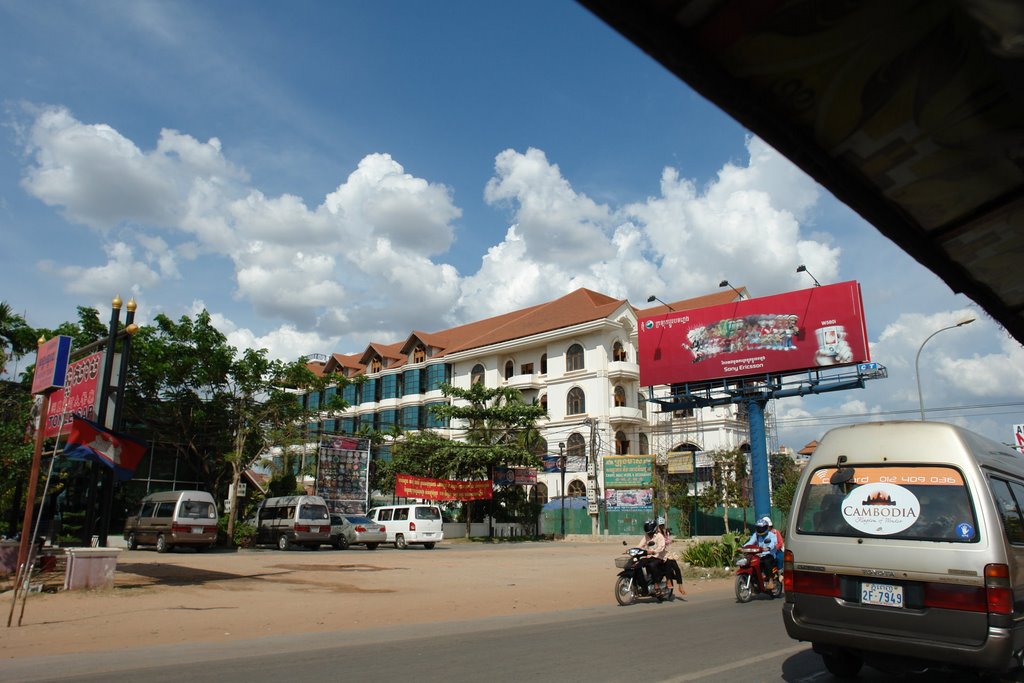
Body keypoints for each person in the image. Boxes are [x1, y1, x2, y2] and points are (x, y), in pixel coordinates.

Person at [633, 519, 666, 595]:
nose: (649, 535)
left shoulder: (659, 536)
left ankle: (656, 584)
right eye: (647, 533)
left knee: (652, 565)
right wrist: (633, 550)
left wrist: (653, 551)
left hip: (659, 557)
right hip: (649, 557)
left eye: (650, 532)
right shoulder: (646, 536)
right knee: (637, 565)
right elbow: (640, 545)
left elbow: (661, 547)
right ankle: (643, 586)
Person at [745, 516, 779, 589]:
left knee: (767, 561)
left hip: (769, 555)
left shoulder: (771, 535)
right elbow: (751, 542)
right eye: (758, 528)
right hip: (759, 555)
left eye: (762, 528)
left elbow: (773, 543)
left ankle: (770, 581)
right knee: (749, 561)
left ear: (766, 528)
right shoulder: (756, 535)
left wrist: (768, 548)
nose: (760, 530)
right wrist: (743, 547)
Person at [657, 516, 685, 595]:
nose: (661, 526)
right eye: (660, 525)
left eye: (662, 525)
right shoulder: (657, 534)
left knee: (677, 568)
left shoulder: (666, 532)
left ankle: (680, 586)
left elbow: (668, 542)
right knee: (668, 566)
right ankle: (669, 581)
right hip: (662, 554)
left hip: (669, 553)